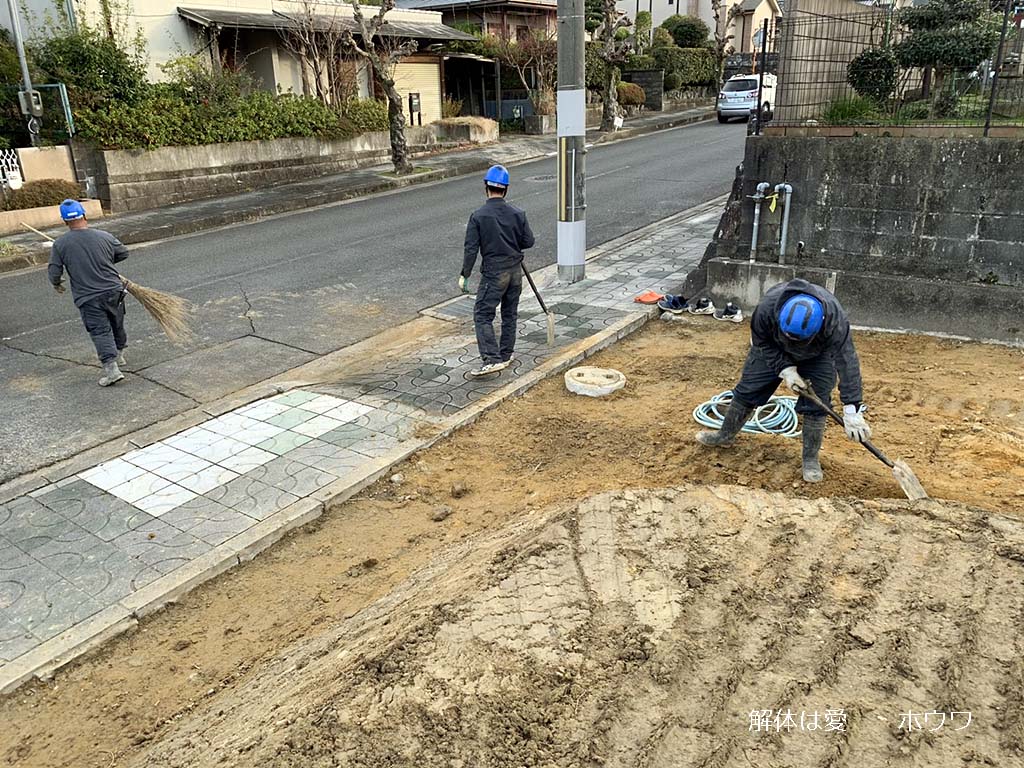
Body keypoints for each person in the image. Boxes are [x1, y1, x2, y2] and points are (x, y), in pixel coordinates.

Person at [695, 278, 871, 483]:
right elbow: (761, 341)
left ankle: (810, 459)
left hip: (817, 356)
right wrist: (786, 370)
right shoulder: (767, 308)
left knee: (817, 402)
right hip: (773, 348)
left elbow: (847, 361)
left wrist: (852, 409)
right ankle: (724, 435)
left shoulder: (834, 320)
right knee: (748, 390)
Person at [460, 164, 535, 377]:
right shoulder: (518, 214)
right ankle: (506, 354)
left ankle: (491, 359)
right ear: (506, 189)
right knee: (510, 313)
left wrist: (465, 274)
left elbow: (471, 249)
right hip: (514, 272)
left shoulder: (479, 216)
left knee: (482, 314)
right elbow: (528, 241)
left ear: (486, 187)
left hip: (494, 274)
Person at [48, 199, 130, 387]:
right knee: (116, 322)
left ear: (65, 221)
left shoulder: (60, 244)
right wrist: (105, 263)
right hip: (114, 290)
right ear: (84, 215)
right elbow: (123, 252)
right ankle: (120, 354)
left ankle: (111, 369)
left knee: (100, 330)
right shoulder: (104, 236)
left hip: (89, 297)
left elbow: (54, 271)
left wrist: (56, 283)